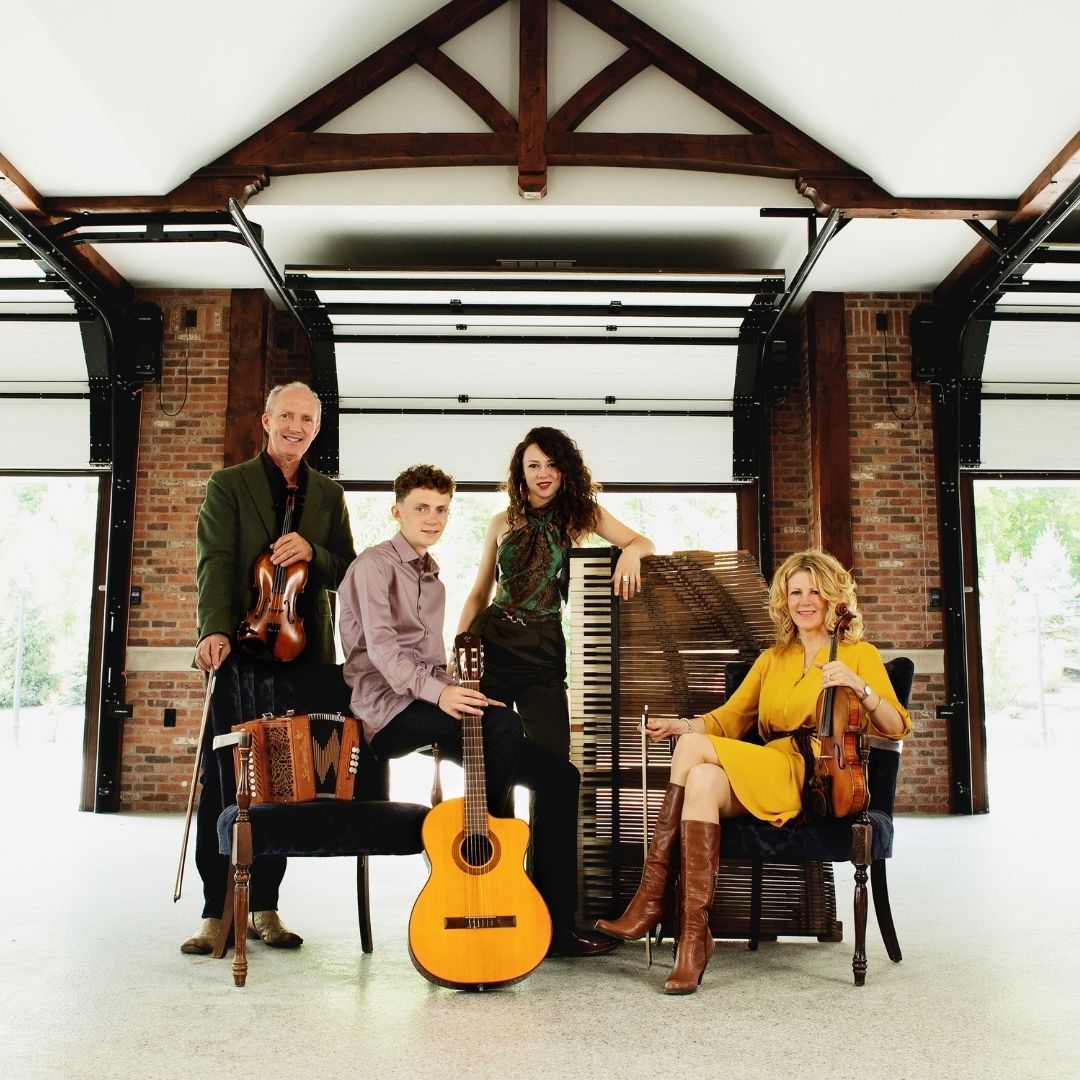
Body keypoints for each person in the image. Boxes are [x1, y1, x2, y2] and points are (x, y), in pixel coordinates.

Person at [595, 549, 911, 994]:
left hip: (814, 775)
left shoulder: (859, 654)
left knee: (693, 755)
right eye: (794, 591)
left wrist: (859, 688)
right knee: (702, 779)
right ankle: (693, 939)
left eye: (814, 592)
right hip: (769, 766)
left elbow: (896, 727)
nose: (804, 601)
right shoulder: (772, 659)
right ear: (785, 600)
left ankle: (651, 895)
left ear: (832, 597)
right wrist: (679, 726)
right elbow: (726, 719)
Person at [338, 463, 615, 957]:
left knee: (561, 777)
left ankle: (555, 927)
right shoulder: (373, 566)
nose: (433, 518)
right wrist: (441, 692)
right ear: (396, 511)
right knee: (503, 723)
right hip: (385, 712)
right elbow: (382, 652)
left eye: (442, 509)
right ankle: (480, 860)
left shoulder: (433, 579)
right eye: (421, 508)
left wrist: (455, 686)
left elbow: (430, 661)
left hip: (428, 699)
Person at [182, 381, 356, 955]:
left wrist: (315, 552)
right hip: (240, 651)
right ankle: (215, 913)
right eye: (287, 415)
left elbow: (348, 570)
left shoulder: (329, 496)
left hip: (304, 657)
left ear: (316, 428)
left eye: (306, 419)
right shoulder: (228, 485)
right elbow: (215, 560)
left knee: (287, 782)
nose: (296, 426)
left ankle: (264, 907)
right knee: (227, 780)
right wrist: (211, 628)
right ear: (265, 419)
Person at [458, 426, 654, 759]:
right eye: (533, 465)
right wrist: (460, 650)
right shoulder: (501, 522)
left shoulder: (583, 515)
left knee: (552, 758)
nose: (543, 474)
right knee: (491, 754)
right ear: (521, 471)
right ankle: (496, 814)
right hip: (493, 643)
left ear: (565, 469)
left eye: (552, 464)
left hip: (543, 646)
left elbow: (642, 542)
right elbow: (480, 593)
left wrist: (632, 554)